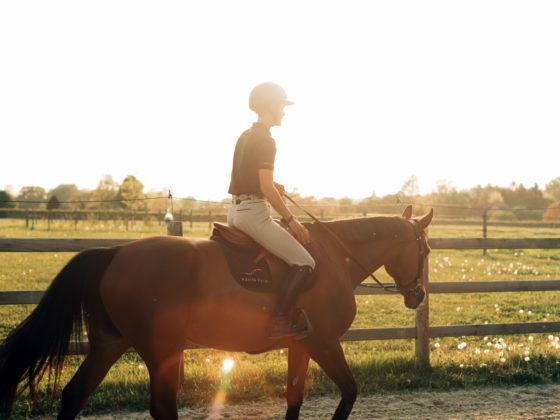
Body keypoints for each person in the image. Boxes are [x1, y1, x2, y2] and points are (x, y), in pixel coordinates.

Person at [228, 82, 316, 339]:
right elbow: (265, 188)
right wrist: (292, 220)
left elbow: (247, 175)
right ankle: (278, 321)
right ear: (271, 106)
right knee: (305, 262)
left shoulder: (246, 135)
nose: (284, 113)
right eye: (282, 107)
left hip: (235, 211)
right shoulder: (267, 140)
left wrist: (271, 184)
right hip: (253, 214)